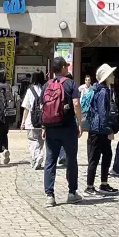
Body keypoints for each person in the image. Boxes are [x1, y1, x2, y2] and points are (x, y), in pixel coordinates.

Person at [41, 57, 83, 207]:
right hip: (68, 127)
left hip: (51, 127)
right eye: (67, 66)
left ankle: (49, 196)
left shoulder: (46, 85)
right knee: (71, 159)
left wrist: (44, 127)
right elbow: (76, 104)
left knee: (50, 161)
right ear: (64, 68)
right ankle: (72, 193)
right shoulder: (71, 84)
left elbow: (43, 108)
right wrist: (80, 122)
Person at [85, 64, 119, 195]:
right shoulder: (103, 91)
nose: (113, 76)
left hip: (97, 128)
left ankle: (103, 184)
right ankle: (90, 186)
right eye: (111, 74)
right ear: (106, 77)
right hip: (99, 129)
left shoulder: (99, 89)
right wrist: (108, 130)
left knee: (104, 155)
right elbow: (103, 113)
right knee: (96, 158)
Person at [21, 70, 45, 169]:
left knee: (32, 140)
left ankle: (37, 156)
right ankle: (38, 157)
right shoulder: (45, 89)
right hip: (44, 120)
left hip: (32, 120)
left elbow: (26, 108)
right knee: (40, 140)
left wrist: (23, 121)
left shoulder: (30, 90)